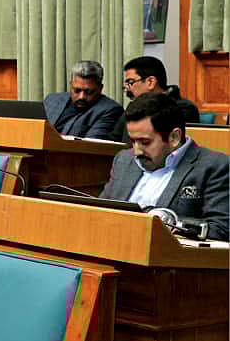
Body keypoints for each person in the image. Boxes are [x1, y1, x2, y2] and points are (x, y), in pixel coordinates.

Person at [101, 93, 228, 240]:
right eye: (133, 141)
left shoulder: (214, 167)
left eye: (145, 142)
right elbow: (101, 212)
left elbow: (220, 230)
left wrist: (171, 223)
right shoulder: (123, 160)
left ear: (174, 137)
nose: (136, 151)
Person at [43, 60, 124, 140]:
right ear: (71, 85)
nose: (81, 96)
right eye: (77, 90)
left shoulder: (110, 110)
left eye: (89, 92)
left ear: (100, 88)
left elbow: (90, 145)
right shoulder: (52, 99)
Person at [123, 56, 200, 123]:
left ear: (150, 82)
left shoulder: (183, 109)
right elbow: (115, 137)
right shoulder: (133, 107)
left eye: (130, 82)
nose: (127, 90)